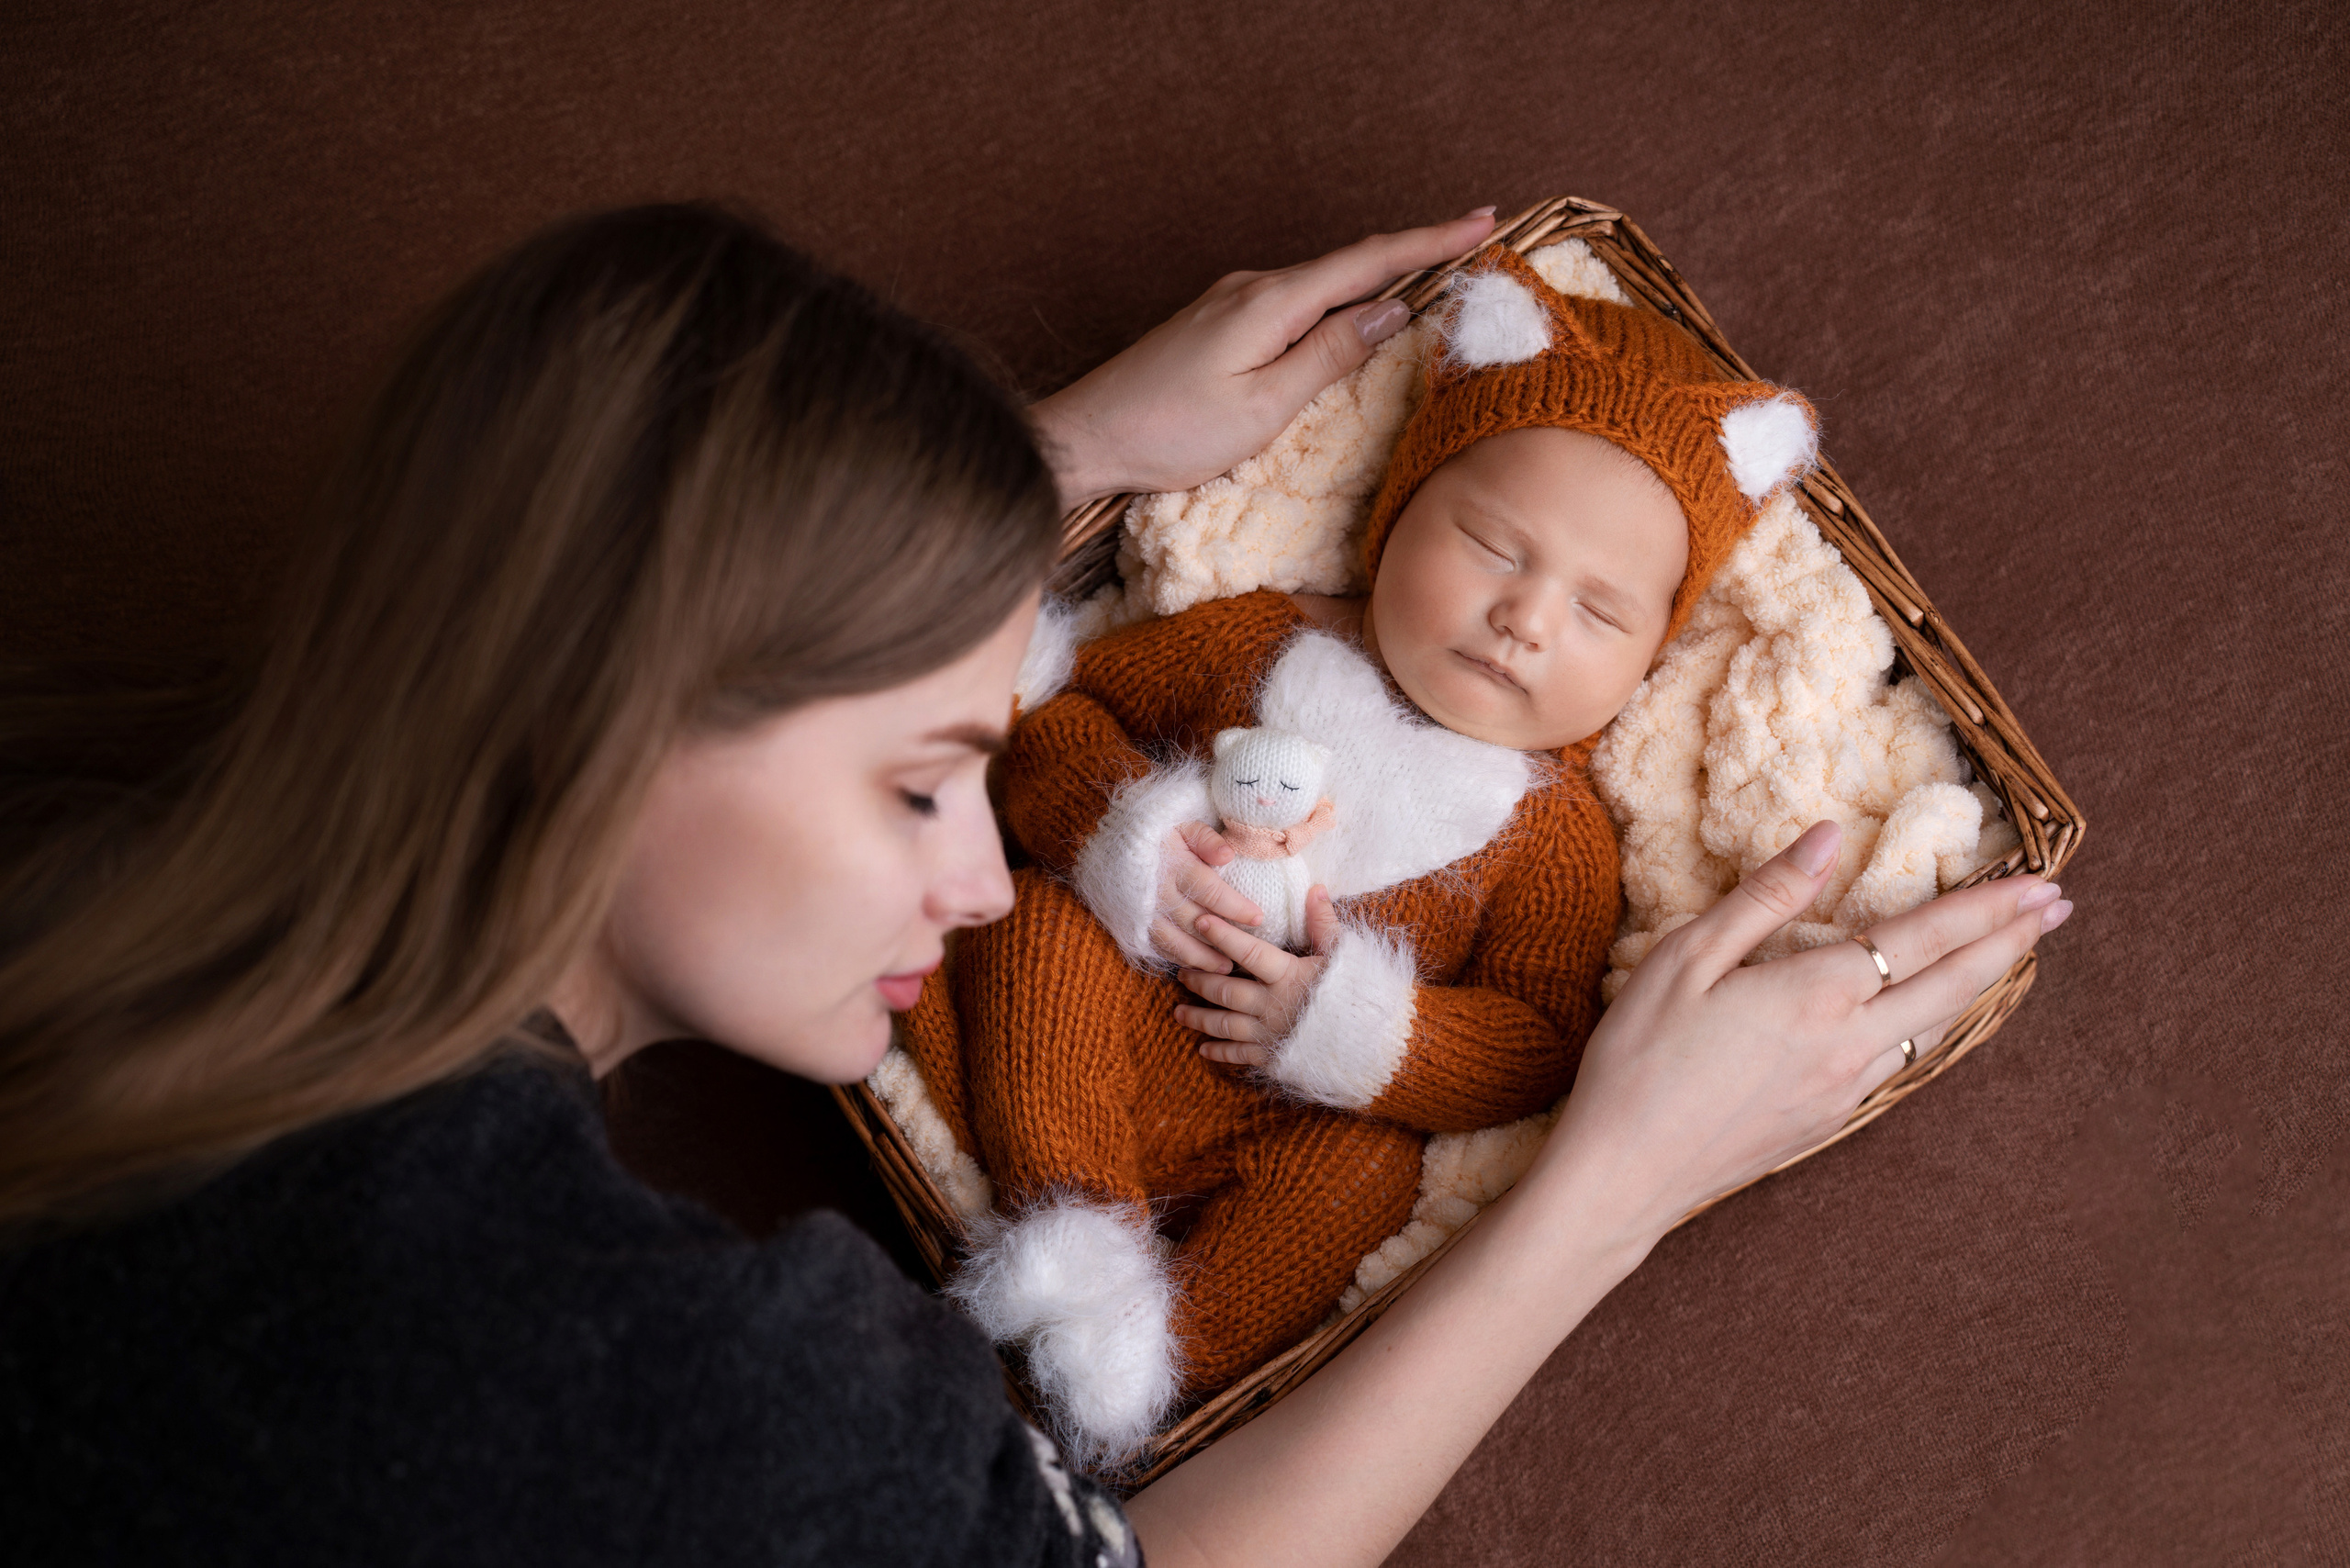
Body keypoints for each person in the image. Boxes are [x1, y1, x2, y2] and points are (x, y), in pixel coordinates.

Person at [0, 201, 2070, 1567]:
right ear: (603, 697)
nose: (991, 882)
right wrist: (1617, 1175)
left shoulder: (79, 868)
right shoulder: (667, 1375)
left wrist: (1020, 470)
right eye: (921, 783)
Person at [904, 242, 1833, 1460]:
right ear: (1401, 508)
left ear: (1651, 652)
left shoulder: (1552, 835)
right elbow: (1061, 720)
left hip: (1281, 1122)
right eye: (1495, 546)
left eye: (1601, 611)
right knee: (1037, 926)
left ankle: (1161, 1352)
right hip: (1083, 1042)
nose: (1527, 617)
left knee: (1370, 1171)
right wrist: (1133, 834)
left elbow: (1537, 1043)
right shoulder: (1262, 642)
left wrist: (1362, 1032)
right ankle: (1075, 1233)